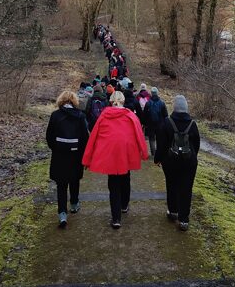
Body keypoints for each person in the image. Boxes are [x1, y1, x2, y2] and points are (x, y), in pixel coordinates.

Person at [82, 90, 148, 229]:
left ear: (111, 101)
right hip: (126, 153)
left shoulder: (104, 116)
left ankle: (116, 218)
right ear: (123, 101)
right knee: (125, 178)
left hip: (110, 155)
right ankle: (124, 205)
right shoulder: (131, 115)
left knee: (113, 185)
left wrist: (87, 159)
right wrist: (144, 153)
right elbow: (139, 135)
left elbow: (93, 137)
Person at [155, 95, 200, 231]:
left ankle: (173, 211)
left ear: (174, 107)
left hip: (170, 162)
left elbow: (161, 144)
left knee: (172, 185)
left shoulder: (167, 122)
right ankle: (184, 220)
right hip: (189, 163)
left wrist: (157, 159)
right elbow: (196, 145)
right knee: (186, 189)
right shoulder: (193, 124)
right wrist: (191, 157)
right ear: (186, 108)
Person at [46, 90, 89, 228]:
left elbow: (49, 136)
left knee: (61, 184)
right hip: (75, 154)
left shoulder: (55, 115)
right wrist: (83, 154)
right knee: (74, 180)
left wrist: (56, 148)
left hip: (59, 155)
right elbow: (85, 137)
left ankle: (62, 213)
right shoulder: (80, 116)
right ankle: (74, 204)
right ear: (74, 101)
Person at [143, 87, 168, 156]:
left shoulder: (148, 103)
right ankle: (159, 153)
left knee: (151, 139)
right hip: (160, 125)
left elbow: (145, 115)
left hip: (150, 125)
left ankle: (153, 153)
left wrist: (145, 124)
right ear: (157, 93)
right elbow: (166, 115)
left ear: (151, 93)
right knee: (159, 139)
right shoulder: (162, 103)